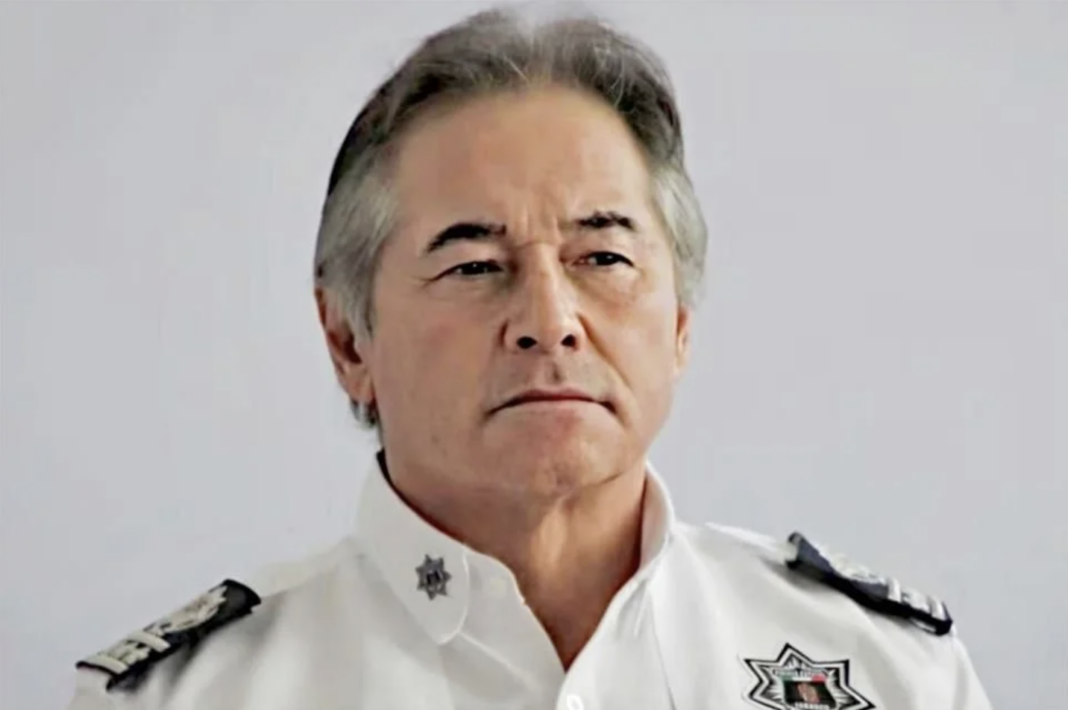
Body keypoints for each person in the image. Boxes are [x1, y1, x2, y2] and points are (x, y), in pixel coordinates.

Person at [66, 7, 994, 710]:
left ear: (679, 321)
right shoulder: (189, 698)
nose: (550, 322)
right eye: (473, 265)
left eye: (603, 258)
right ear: (348, 339)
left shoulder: (887, 672)